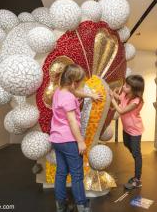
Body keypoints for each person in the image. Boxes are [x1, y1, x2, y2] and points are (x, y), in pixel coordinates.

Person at [50, 64, 100, 212]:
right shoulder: (69, 98)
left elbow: (76, 93)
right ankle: (82, 205)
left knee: (61, 172)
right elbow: (72, 121)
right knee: (77, 175)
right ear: (73, 82)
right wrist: (80, 141)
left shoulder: (59, 92)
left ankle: (61, 205)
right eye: (80, 82)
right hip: (69, 140)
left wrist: (90, 95)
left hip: (56, 139)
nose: (81, 85)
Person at [110, 75, 145, 189]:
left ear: (134, 89)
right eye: (125, 84)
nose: (124, 87)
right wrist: (112, 93)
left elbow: (121, 110)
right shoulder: (126, 94)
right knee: (126, 144)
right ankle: (136, 154)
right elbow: (120, 98)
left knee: (136, 154)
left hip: (135, 130)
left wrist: (112, 100)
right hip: (126, 128)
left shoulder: (136, 100)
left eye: (127, 86)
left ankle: (137, 179)